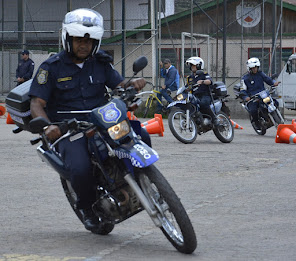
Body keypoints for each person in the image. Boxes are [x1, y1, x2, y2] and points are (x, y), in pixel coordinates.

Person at [28, 8, 146, 231]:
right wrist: (48, 126)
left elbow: (119, 86)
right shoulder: (50, 68)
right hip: (69, 129)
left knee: (142, 135)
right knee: (80, 168)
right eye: (78, 39)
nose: (84, 44)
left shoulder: (100, 63)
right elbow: (37, 103)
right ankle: (86, 207)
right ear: (67, 39)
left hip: (102, 121)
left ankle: (143, 179)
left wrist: (133, 84)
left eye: (89, 40)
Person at [240, 57, 280, 128]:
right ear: (249, 69)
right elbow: (242, 90)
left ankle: (273, 117)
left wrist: (273, 83)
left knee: (275, 102)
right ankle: (256, 123)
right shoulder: (245, 79)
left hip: (263, 95)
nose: (255, 69)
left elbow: (267, 79)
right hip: (253, 98)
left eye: (256, 67)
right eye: (253, 68)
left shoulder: (260, 74)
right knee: (253, 110)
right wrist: (246, 97)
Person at [185, 56, 220, 126]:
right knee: (189, 105)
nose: (192, 67)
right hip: (195, 96)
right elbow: (186, 87)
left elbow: (209, 81)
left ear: (198, 66)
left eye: (193, 65)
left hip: (205, 95)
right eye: (191, 65)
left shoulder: (204, 74)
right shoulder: (190, 78)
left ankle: (214, 118)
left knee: (203, 104)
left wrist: (203, 81)